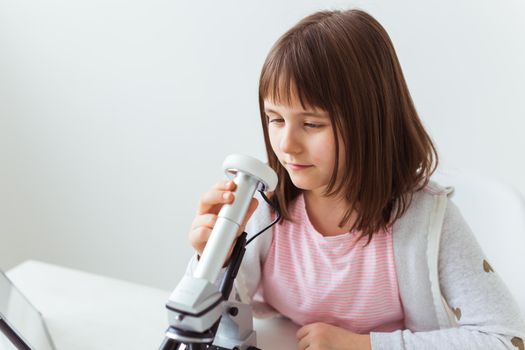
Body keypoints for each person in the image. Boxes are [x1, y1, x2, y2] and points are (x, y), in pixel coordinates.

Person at [186, 9, 525, 350]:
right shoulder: (266, 205)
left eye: (312, 124)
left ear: (370, 123)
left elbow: (507, 339)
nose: (286, 145)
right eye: (275, 119)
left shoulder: (428, 219)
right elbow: (205, 323)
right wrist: (214, 258)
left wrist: (364, 345)